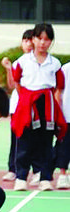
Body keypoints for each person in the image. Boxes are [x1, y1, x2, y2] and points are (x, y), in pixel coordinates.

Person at [10, 23, 66, 192]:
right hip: (27, 104)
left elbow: (58, 88)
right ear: (32, 39)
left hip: (47, 105)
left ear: (51, 42)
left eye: (47, 39)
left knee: (46, 142)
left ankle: (45, 177)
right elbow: (16, 82)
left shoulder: (55, 63)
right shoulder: (22, 61)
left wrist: (57, 110)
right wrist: (26, 99)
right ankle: (21, 177)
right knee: (24, 141)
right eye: (39, 38)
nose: (42, 42)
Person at [1, 29, 34, 182]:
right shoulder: (18, 63)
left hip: (33, 108)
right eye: (25, 40)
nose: (28, 44)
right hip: (17, 107)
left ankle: (36, 170)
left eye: (30, 40)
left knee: (34, 139)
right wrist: (9, 69)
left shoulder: (39, 63)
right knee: (16, 139)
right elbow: (11, 85)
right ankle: (13, 169)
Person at [55, 62, 70, 190]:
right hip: (67, 114)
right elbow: (58, 92)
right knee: (64, 145)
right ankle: (62, 174)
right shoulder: (65, 69)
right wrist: (58, 113)